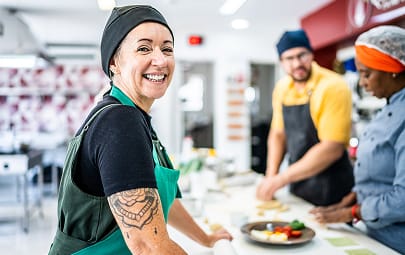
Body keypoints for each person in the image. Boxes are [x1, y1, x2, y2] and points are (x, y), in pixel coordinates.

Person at [48, 5, 232, 255]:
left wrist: (206, 238)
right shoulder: (119, 122)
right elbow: (147, 246)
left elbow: (157, 201)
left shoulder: (138, 119)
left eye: (167, 49)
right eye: (144, 48)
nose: (161, 60)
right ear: (115, 62)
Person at [310, 25, 405, 254]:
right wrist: (354, 197)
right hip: (375, 234)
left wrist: (353, 213)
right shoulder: (389, 107)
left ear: (392, 69)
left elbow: (403, 198)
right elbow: (383, 171)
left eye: (367, 74)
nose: (362, 83)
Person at [256, 29, 354, 206]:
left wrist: (280, 179)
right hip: (299, 183)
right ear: (281, 62)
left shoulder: (333, 86)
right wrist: (270, 177)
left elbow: (332, 147)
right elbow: (278, 134)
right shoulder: (282, 88)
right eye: (289, 58)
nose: (297, 64)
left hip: (332, 186)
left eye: (302, 55)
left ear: (311, 54)